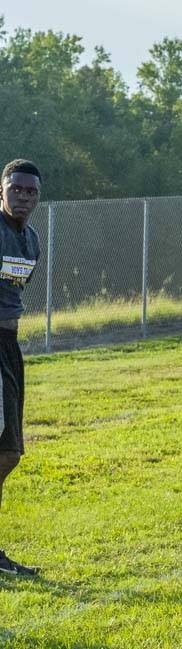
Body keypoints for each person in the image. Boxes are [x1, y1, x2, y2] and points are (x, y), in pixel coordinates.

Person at [0, 160, 42, 577]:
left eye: (32, 191)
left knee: (9, 451)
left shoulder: (30, 240)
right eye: (17, 189)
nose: (24, 196)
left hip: (9, 346)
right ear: (2, 190)